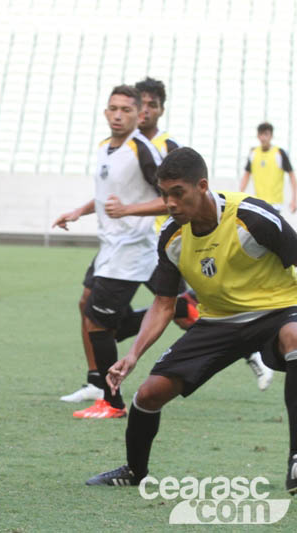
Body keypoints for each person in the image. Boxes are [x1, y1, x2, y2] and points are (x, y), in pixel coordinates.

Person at [86, 147, 297, 495]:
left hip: (280, 310)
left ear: (202, 186)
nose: (168, 203)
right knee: (149, 394)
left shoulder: (253, 217)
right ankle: (135, 470)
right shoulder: (171, 237)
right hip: (219, 322)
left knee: (294, 336)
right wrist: (134, 354)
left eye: (177, 193)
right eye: (164, 194)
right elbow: (163, 304)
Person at [102, 78, 274, 391]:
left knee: (168, 308)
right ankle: (100, 375)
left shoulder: (167, 149)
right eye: (141, 104)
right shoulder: (120, 147)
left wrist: (129, 210)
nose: (144, 111)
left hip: (168, 245)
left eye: (152, 105)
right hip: (132, 243)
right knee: (104, 308)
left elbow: (177, 197)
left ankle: (248, 348)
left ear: (159, 110)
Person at [53, 85, 165, 418]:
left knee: (96, 323)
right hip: (111, 247)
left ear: (138, 115)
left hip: (130, 249)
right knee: (98, 318)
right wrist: (77, 212)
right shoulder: (105, 147)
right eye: (113, 109)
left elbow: (169, 200)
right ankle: (168, 310)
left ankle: (111, 402)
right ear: (105, 112)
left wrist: (129, 211)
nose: (118, 115)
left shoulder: (142, 150)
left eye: (126, 110)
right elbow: (106, 196)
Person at [241, 122, 297, 214]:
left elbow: (292, 176)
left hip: (275, 205)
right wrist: (240, 196)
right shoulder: (253, 153)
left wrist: (294, 200)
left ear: (271, 136)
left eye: (266, 134)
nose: (263, 138)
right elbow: (246, 176)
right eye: (261, 134)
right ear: (258, 136)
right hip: (259, 204)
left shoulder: (279, 153)